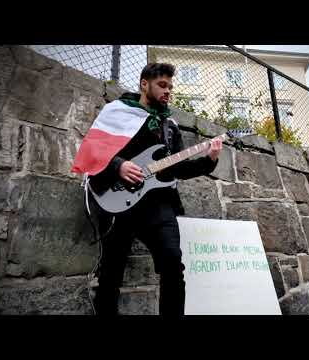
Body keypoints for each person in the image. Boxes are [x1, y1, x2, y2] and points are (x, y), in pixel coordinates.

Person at [71, 63, 223, 315]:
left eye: (170, 87)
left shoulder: (170, 125)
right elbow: (93, 150)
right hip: (117, 201)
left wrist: (210, 160)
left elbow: (177, 168)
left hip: (159, 204)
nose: (168, 91)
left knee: (173, 263)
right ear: (145, 84)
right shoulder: (117, 112)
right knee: (111, 272)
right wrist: (118, 166)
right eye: (162, 85)